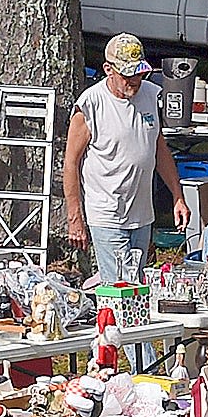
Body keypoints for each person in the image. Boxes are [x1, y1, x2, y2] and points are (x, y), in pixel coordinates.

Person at [62, 33, 186, 284]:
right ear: (108, 70)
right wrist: (75, 218)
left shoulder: (151, 95)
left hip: (142, 214)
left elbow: (159, 149)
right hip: (107, 213)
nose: (135, 81)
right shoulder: (90, 104)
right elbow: (71, 163)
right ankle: (110, 320)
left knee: (136, 284)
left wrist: (178, 196)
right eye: (127, 75)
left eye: (139, 73)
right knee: (120, 287)